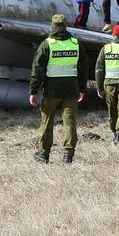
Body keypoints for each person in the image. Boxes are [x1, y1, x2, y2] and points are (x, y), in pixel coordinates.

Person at [28, 14, 89, 164]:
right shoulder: (75, 44)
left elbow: (37, 69)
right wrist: (81, 88)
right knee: (69, 123)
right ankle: (68, 155)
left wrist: (33, 91)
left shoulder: (47, 44)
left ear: (53, 26)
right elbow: (83, 68)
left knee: (47, 122)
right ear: (65, 25)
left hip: (51, 91)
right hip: (70, 91)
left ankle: (43, 154)